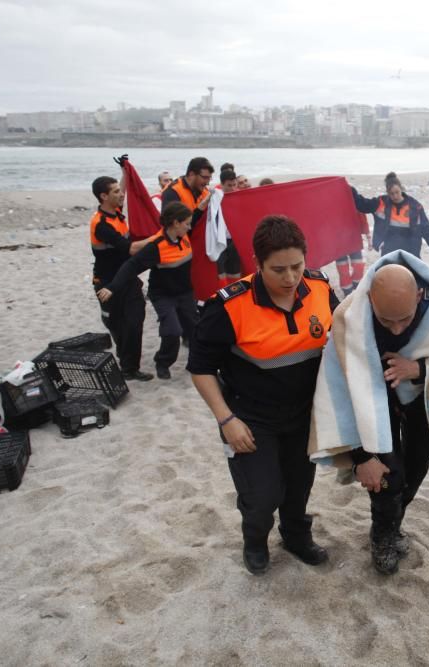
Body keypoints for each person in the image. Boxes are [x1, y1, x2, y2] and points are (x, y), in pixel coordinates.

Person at [187, 215, 339, 575]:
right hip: (250, 419)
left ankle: (296, 537)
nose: (290, 279)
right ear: (256, 264)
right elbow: (200, 368)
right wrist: (226, 420)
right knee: (262, 495)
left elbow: (342, 337)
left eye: (297, 266)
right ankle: (254, 541)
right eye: (278, 270)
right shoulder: (228, 306)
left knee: (299, 486)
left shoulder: (319, 287)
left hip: (304, 416)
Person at [309, 251, 429, 575]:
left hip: (421, 398)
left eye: (406, 318)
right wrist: (359, 456)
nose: (398, 330)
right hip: (371, 402)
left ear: (418, 296)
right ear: (370, 296)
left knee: (414, 469)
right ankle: (383, 536)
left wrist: (419, 367)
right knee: (386, 474)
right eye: (387, 321)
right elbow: (338, 389)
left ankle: (392, 522)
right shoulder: (349, 317)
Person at [97, 202, 198, 380]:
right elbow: (131, 266)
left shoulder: (184, 235)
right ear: (175, 223)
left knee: (194, 329)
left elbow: (197, 216)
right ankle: (163, 362)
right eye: (187, 223)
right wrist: (112, 287)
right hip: (163, 295)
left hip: (185, 293)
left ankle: (197, 362)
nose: (190, 226)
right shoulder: (155, 246)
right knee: (172, 331)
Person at [89, 175, 153, 381]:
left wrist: (124, 172)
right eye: (116, 192)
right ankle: (125, 360)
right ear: (103, 196)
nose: (121, 194)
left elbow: (123, 191)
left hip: (128, 278)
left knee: (135, 322)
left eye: (120, 190)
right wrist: (159, 237)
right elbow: (130, 248)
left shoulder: (116, 212)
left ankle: (130, 368)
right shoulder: (101, 224)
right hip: (106, 283)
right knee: (117, 325)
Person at [352, 172, 429, 260]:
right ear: (387, 193)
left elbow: (426, 228)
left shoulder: (415, 206)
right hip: (389, 250)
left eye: (397, 192)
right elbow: (363, 205)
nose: (395, 196)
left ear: (401, 189)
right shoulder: (381, 203)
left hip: (411, 250)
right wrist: (350, 191)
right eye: (391, 194)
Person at [162, 157, 214, 223]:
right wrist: (200, 209)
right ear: (191, 174)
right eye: (204, 177)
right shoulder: (173, 192)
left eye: (209, 178)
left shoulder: (205, 192)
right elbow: (173, 226)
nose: (207, 182)